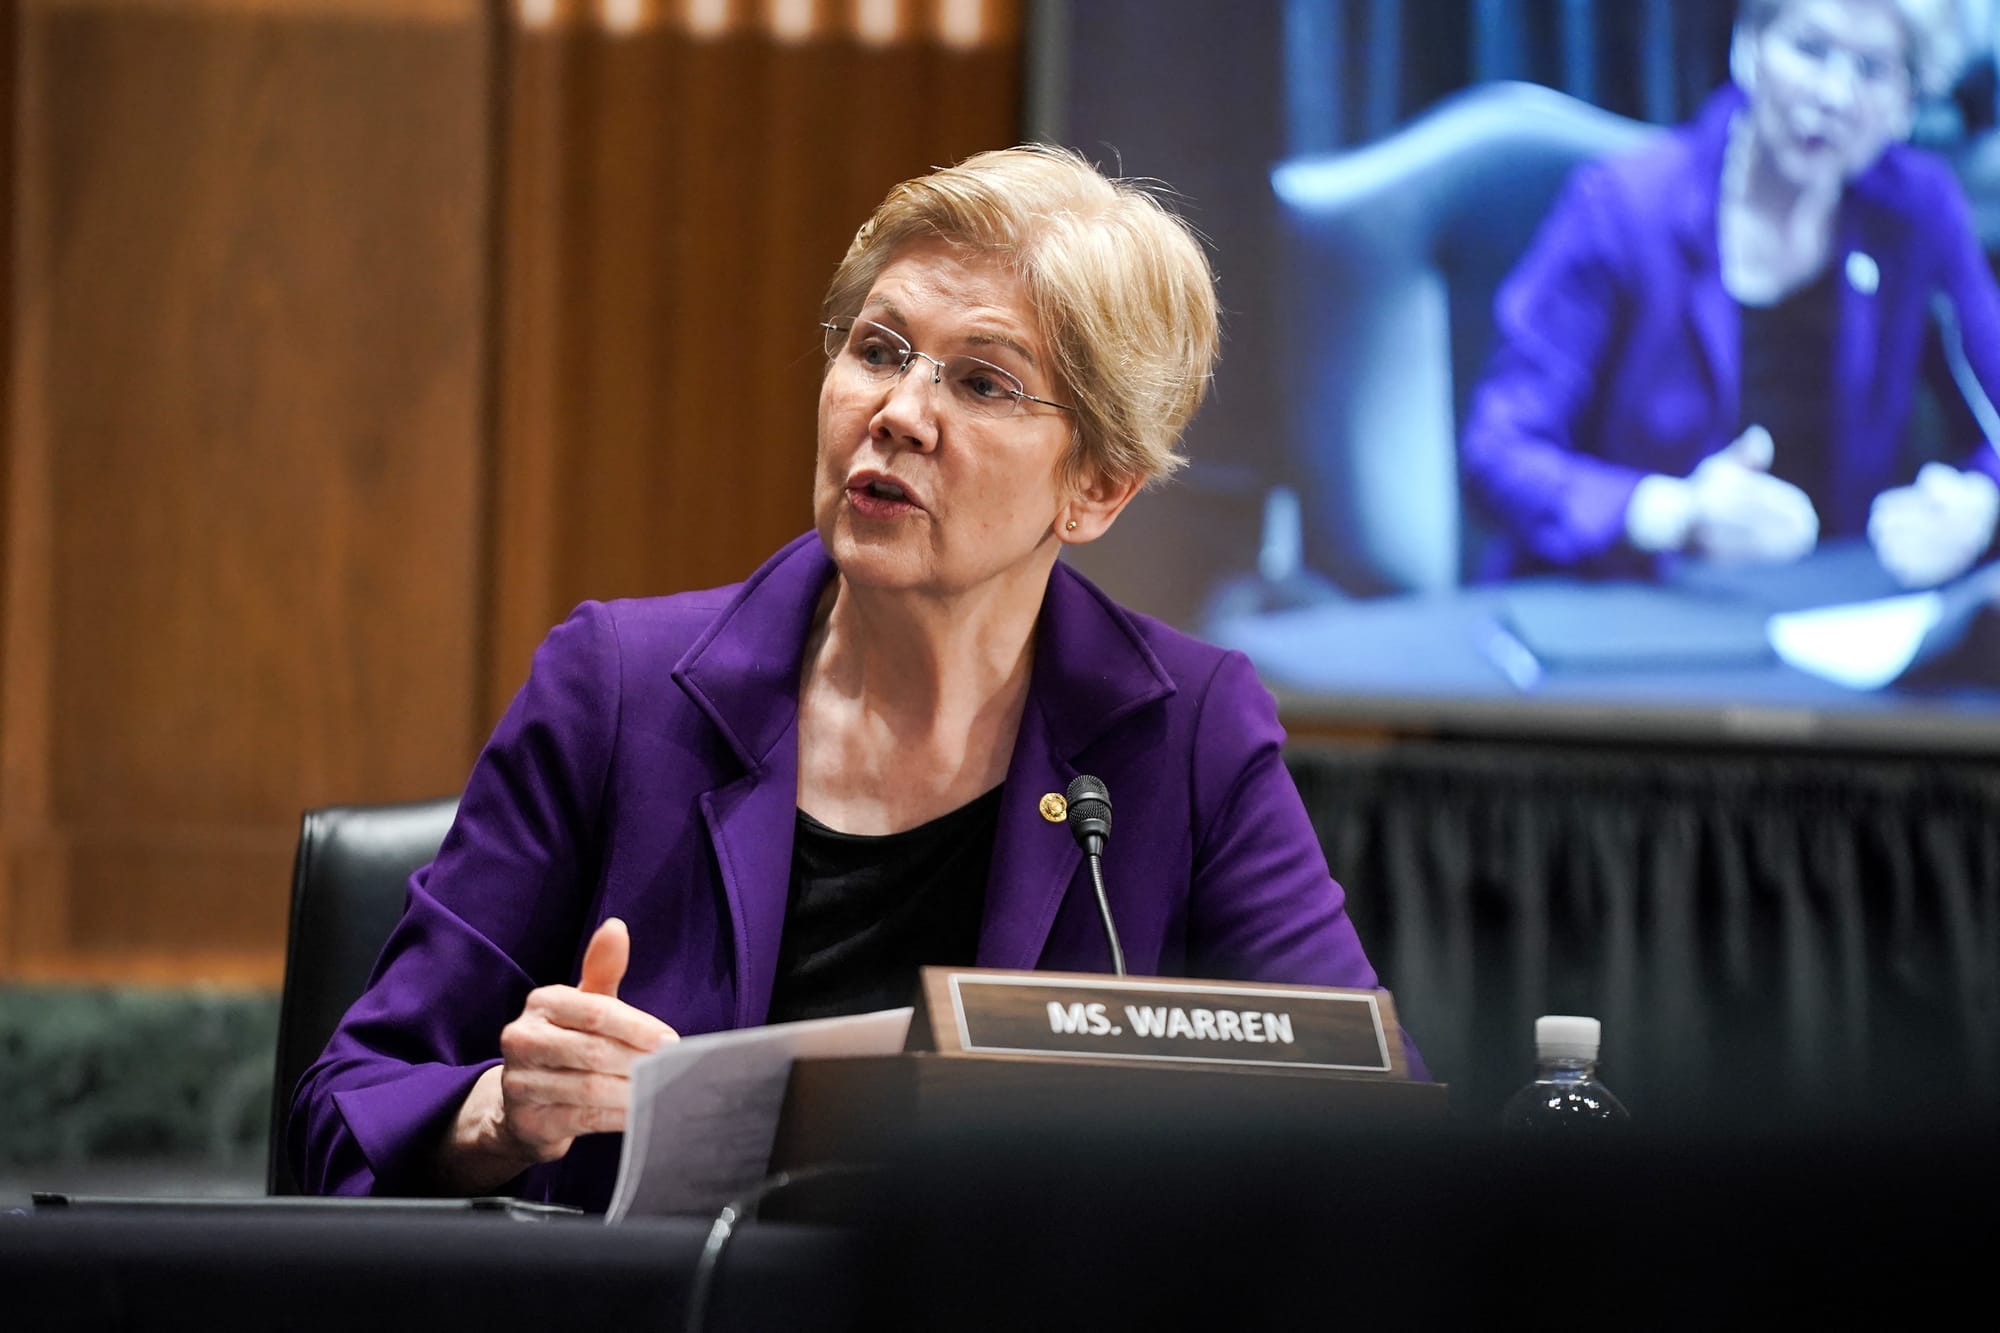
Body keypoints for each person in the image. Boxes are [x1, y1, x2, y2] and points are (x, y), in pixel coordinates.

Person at [291, 146, 1416, 1211]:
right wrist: (501, 1110)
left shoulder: (1184, 736)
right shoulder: (619, 690)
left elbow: (1367, 1114)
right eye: (877, 349)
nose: (899, 413)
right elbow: (344, 1108)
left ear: (1097, 488)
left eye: (982, 383)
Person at [1461, 0, 2000, 587]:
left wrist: (1980, 503)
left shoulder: (1916, 211)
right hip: (1629, 599)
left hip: (1827, 609)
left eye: (1872, 70)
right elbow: (1499, 449)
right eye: (1810, 50)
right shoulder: (1623, 206)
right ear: (1748, 48)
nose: (1834, 96)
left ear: (1907, 101)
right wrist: (1674, 513)